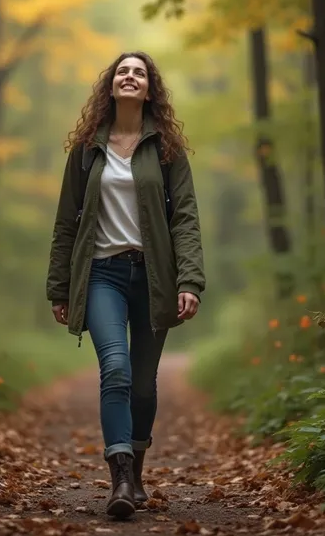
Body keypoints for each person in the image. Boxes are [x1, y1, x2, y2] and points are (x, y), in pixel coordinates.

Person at [46, 51, 205, 519]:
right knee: (115, 367)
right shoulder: (86, 150)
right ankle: (118, 476)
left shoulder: (168, 150)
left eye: (139, 72)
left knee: (142, 386)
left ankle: (136, 470)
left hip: (155, 276)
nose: (129, 76)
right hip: (102, 274)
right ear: (110, 86)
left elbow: (187, 221)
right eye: (122, 71)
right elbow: (64, 225)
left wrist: (190, 279)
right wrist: (59, 287)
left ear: (149, 88)